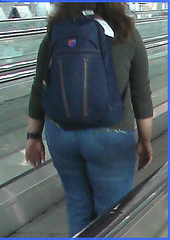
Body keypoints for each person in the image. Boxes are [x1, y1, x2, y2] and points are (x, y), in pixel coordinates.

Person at [26, 2, 153, 237]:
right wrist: (145, 140)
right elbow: (141, 93)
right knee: (112, 216)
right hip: (112, 137)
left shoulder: (55, 32)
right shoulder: (126, 32)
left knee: (77, 209)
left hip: (61, 133)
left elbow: (39, 87)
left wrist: (33, 136)